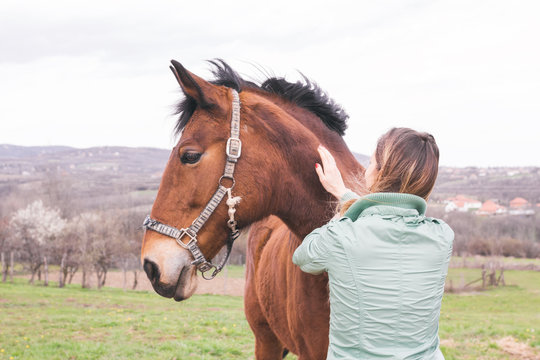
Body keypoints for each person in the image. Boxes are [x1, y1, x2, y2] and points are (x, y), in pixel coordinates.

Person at [292, 127, 454, 360]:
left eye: (370, 163)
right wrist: (344, 194)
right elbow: (388, 220)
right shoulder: (442, 237)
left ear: (379, 173)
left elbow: (304, 257)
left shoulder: (342, 235)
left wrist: (346, 209)